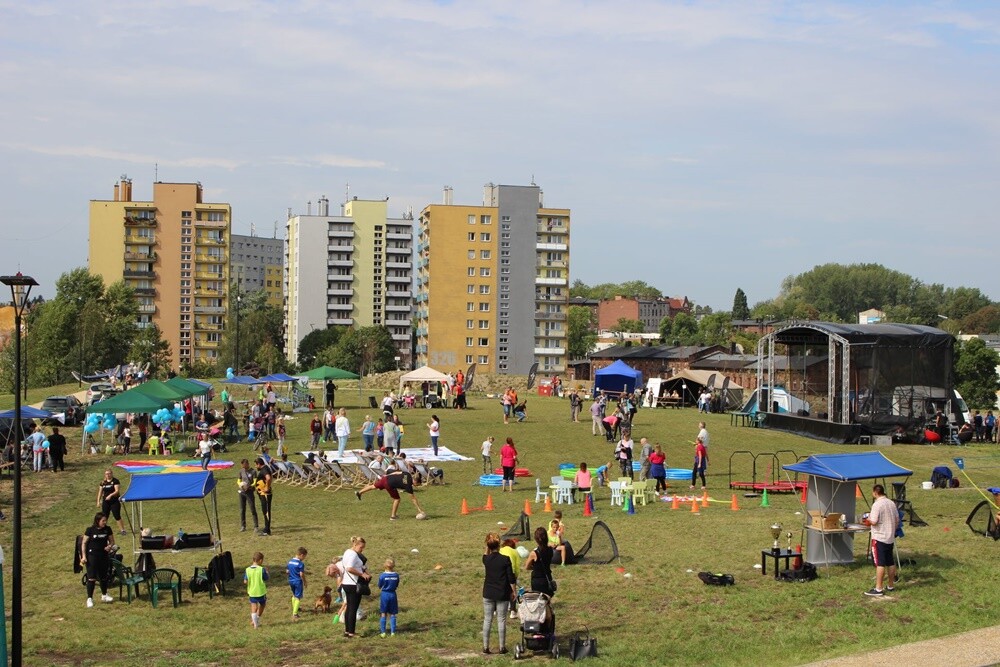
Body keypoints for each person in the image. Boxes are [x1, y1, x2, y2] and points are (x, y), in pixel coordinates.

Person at [481, 532, 517, 655]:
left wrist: (488, 545)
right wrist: (514, 591)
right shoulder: (505, 559)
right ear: (499, 546)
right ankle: (502, 647)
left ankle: (485, 647)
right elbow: (511, 577)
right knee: (501, 620)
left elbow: (485, 554)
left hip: (488, 592)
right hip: (502, 593)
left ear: (489, 546)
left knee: (487, 619)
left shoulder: (486, 560)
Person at [863, 484, 899, 596]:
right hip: (890, 537)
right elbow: (897, 519)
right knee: (890, 562)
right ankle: (891, 585)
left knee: (880, 563)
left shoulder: (877, 504)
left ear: (875, 493)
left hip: (879, 537)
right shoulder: (891, 503)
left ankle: (878, 588)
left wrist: (866, 521)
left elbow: (873, 521)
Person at [356, 470, 426, 520]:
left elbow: (396, 472)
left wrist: (387, 475)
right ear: (416, 482)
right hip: (389, 484)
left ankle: (359, 492)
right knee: (397, 499)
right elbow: (413, 499)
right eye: (417, 485)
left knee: (373, 486)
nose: (416, 486)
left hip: (385, 478)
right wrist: (419, 509)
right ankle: (393, 516)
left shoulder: (407, 474)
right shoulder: (408, 486)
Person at [80, 512, 116, 608]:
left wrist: (109, 546)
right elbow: (84, 543)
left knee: (103, 577)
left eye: (105, 520)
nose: (105, 522)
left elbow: (112, 541)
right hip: (92, 556)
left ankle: (104, 595)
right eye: (103, 521)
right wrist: (84, 556)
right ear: (97, 521)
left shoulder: (107, 529)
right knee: (91, 578)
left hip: (103, 556)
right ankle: (89, 598)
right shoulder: (90, 530)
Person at [341, 536, 370, 638]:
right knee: (353, 609)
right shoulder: (353, 554)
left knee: (349, 608)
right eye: (361, 547)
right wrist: (362, 574)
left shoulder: (347, 552)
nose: (362, 550)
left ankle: (347, 631)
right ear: (355, 544)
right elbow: (349, 568)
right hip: (353, 584)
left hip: (346, 583)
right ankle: (351, 633)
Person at [525, 526, 556, 597]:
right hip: (548, 577)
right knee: (547, 599)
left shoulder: (534, 553)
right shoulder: (550, 550)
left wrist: (535, 568)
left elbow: (527, 567)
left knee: (538, 600)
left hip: (538, 580)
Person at [97, 468, 127, 535]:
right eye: (106, 474)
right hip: (106, 502)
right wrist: (98, 501)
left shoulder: (115, 481)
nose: (108, 475)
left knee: (117, 515)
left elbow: (117, 491)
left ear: (112, 474)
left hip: (114, 501)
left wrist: (110, 495)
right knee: (104, 516)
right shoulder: (103, 482)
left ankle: (122, 530)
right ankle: (102, 529)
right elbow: (100, 492)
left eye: (109, 474)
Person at [244, 551, 269, 628]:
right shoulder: (262, 569)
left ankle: (255, 624)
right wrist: (267, 572)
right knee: (263, 604)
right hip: (260, 591)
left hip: (252, 592)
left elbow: (245, 581)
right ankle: (257, 618)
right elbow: (266, 578)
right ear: (260, 560)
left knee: (254, 607)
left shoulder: (247, 570)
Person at [378, 557, 400, 637]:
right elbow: (397, 584)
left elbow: (379, 585)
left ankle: (383, 632)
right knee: (393, 613)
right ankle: (393, 632)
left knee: (383, 612)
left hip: (385, 594)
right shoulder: (396, 575)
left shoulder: (382, 575)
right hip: (393, 594)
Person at [238, 458, 259, 533]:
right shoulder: (241, 471)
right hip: (242, 492)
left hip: (249, 492)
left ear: (247, 464)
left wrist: (249, 486)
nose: (243, 466)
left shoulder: (253, 471)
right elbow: (238, 480)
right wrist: (240, 485)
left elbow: (255, 482)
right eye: (242, 465)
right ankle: (243, 526)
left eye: (244, 465)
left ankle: (256, 526)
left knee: (252, 508)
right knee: (242, 509)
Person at [287, 546, 307, 621]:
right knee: (298, 597)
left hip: (291, 580)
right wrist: (305, 581)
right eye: (304, 557)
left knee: (294, 595)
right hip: (297, 581)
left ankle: (296, 608)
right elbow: (301, 574)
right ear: (301, 555)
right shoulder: (300, 563)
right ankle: (295, 614)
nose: (304, 558)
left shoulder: (290, 562)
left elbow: (287, 571)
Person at [255, 457, 273, 536]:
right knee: (265, 511)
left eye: (256, 465)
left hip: (265, 494)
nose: (256, 466)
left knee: (266, 511)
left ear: (259, 464)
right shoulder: (265, 468)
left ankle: (267, 530)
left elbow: (268, 478)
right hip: (263, 494)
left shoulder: (264, 469)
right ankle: (266, 528)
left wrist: (267, 488)